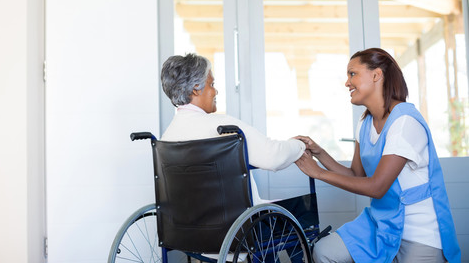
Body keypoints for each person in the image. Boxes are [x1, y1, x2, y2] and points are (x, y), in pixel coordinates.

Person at [294, 48, 460, 263]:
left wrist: (318, 173)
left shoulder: (404, 123)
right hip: (381, 223)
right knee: (324, 251)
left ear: (376, 75)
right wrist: (320, 153)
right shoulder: (365, 123)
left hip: (419, 233)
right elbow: (356, 174)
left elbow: (377, 187)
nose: (347, 82)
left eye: (352, 74)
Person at [160, 53, 306, 203]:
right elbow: (273, 157)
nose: (215, 91)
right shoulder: (221, 127)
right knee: (301, 209)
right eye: (212, 84)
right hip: (237, 220)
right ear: (196, 88)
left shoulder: (166, 137)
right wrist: (300, 145)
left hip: (187, 222)